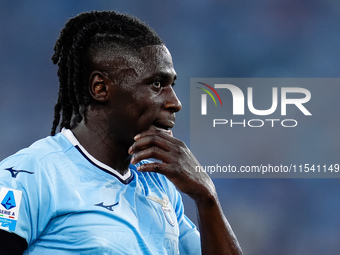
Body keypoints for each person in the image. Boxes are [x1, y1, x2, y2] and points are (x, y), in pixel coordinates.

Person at [0, 11, 242, 254]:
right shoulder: (28, 175)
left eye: (172, 85)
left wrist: (207, 198)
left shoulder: (160, 184)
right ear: (101, 88)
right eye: (157, 84)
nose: (175, 102)